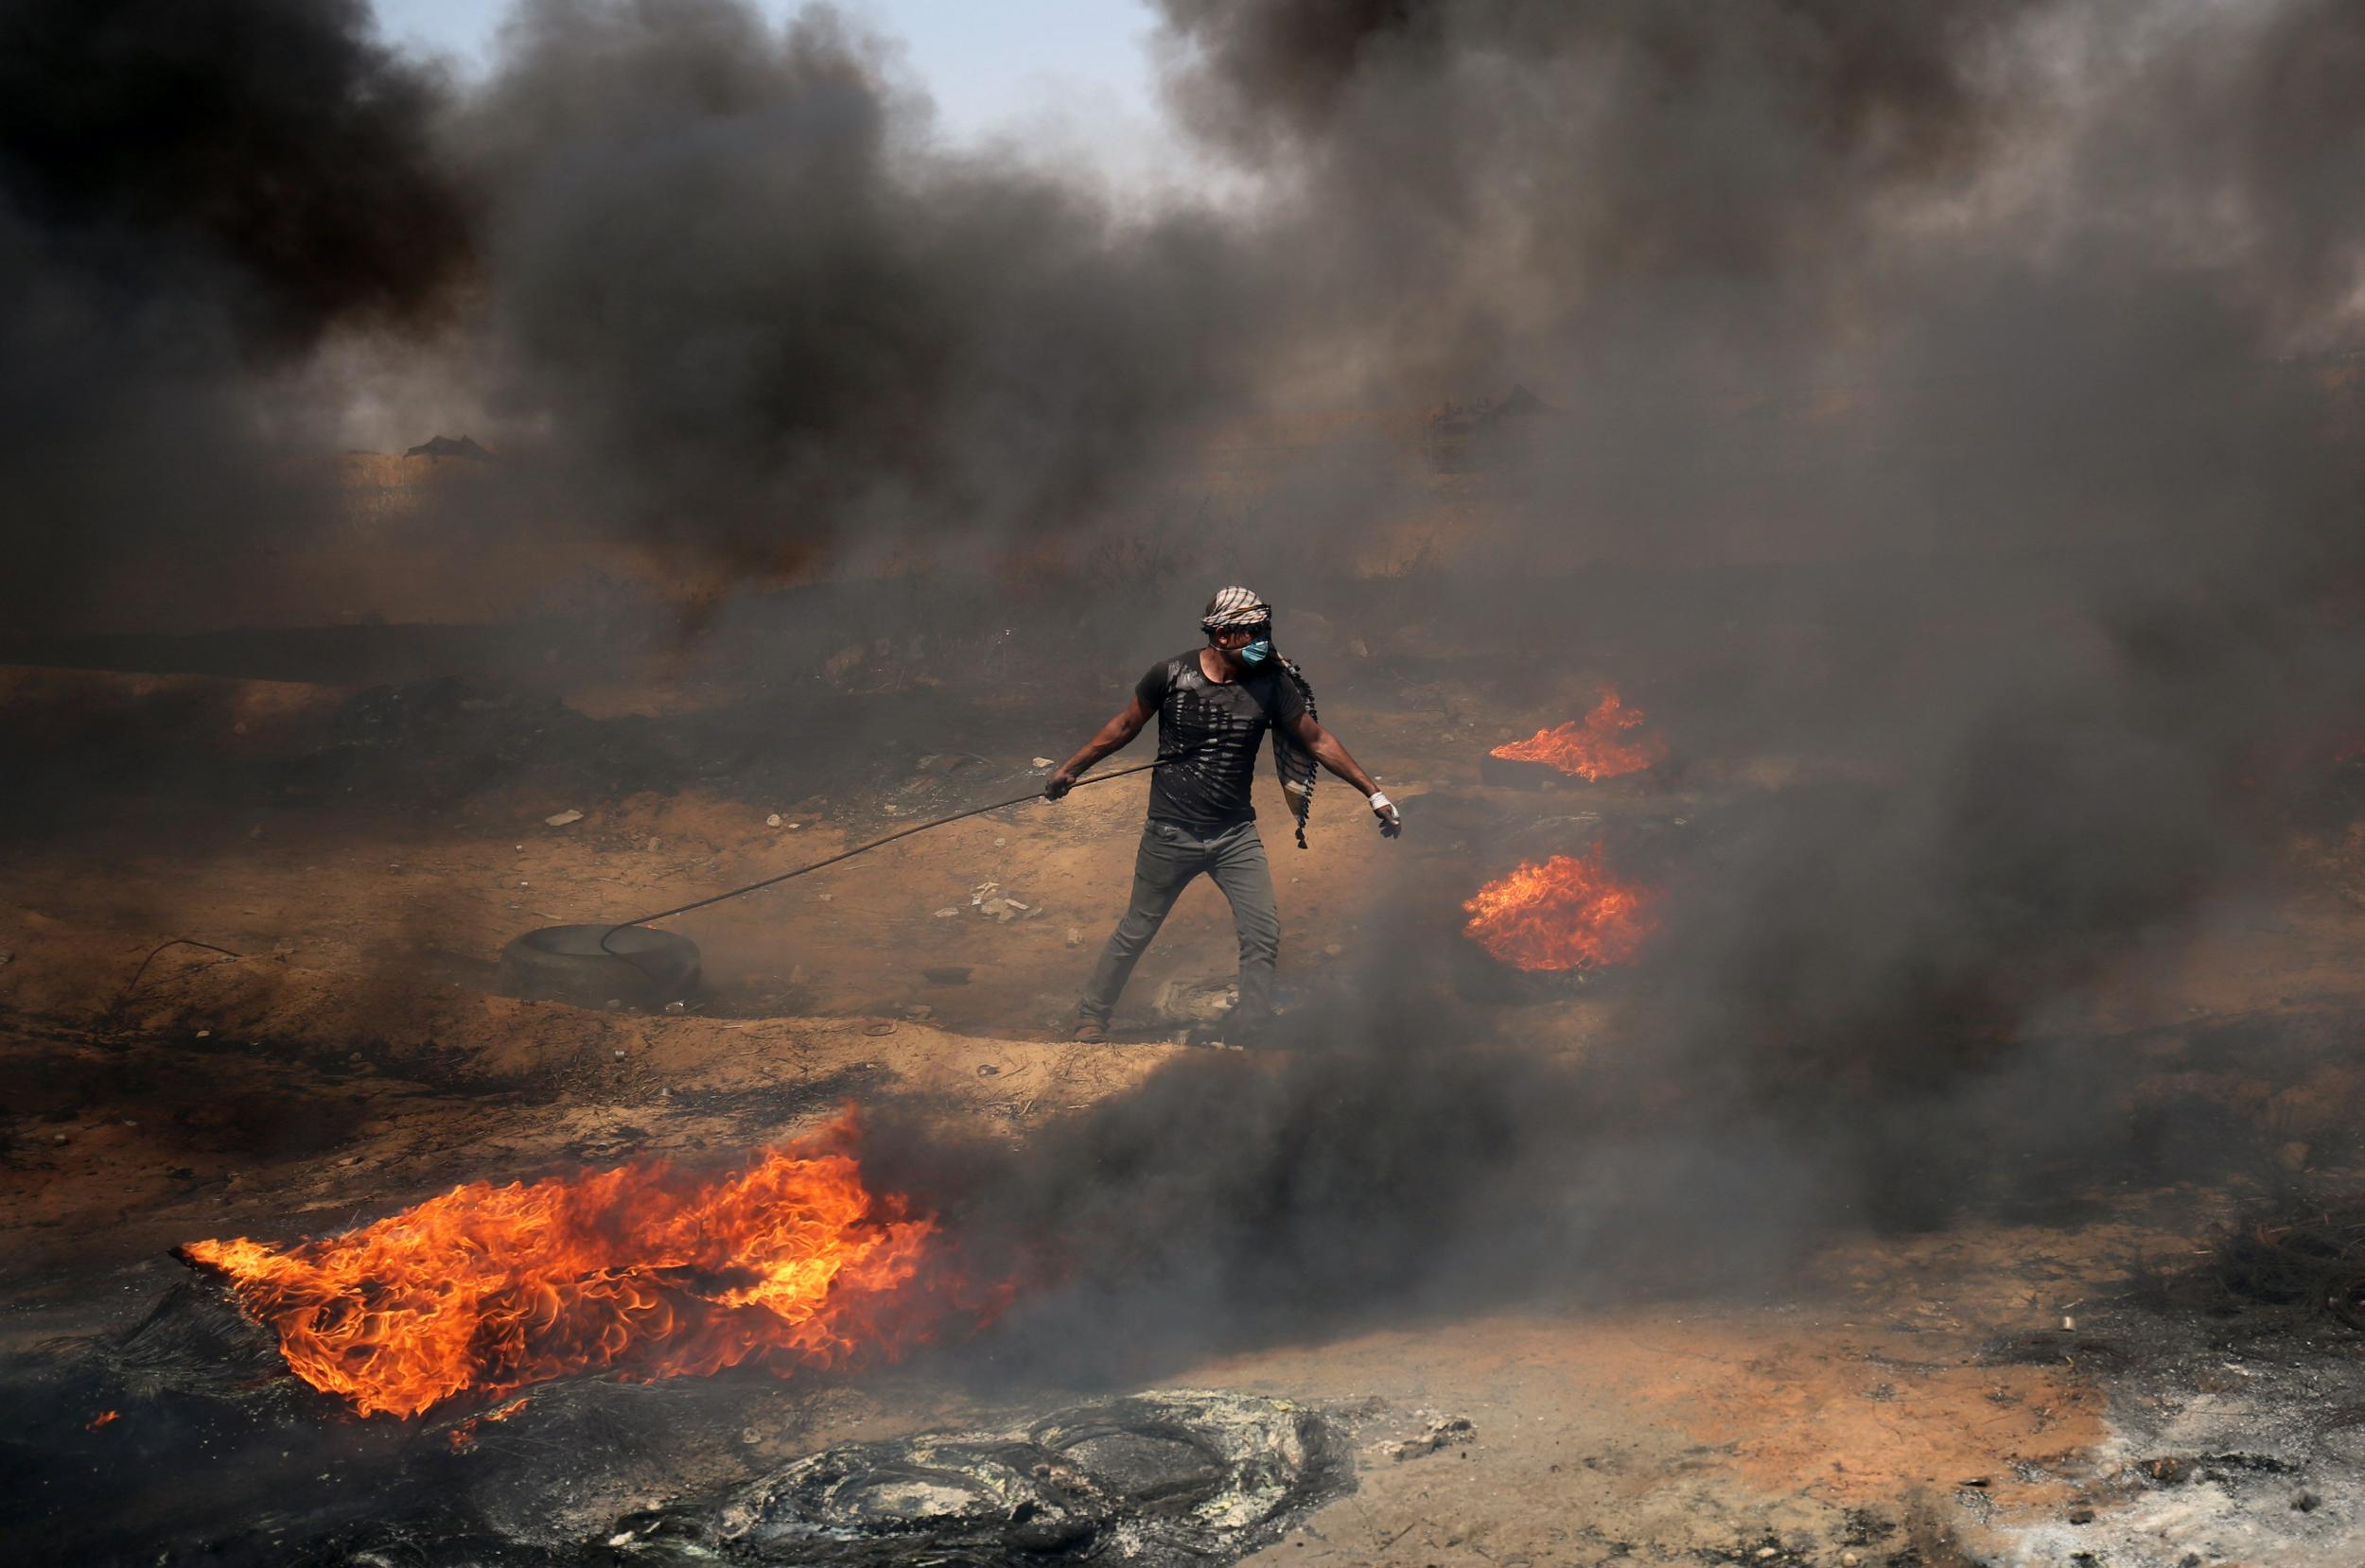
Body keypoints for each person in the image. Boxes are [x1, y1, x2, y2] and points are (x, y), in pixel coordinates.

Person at [1045, 586, 1401, 1045]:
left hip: (1235, 834)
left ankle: (1253, 1028)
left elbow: (1317, 740)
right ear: (1222, 634)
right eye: (1251, 631)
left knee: (1262, 932)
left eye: (1264, 630)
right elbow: (1125, 726)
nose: (1262, 640)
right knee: (1138, 929)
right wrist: (1070, 771)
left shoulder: (1272, 684)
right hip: (1169, 833)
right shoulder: (1170, 674)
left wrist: (1374, 794)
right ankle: (1092, 1018)